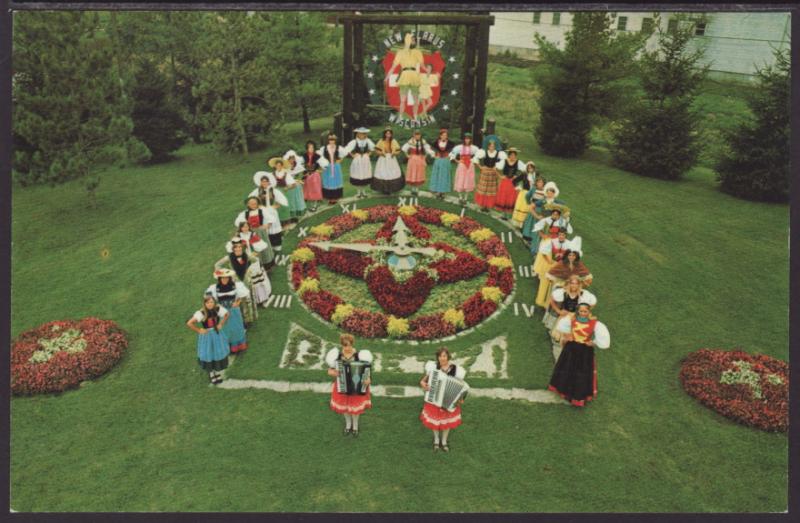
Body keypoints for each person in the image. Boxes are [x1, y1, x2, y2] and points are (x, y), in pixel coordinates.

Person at [548, 303, 611, 407]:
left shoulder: (595, 323)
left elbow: (604, 338)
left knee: (581, 372)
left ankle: (577, 396)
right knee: (567, 368)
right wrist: (567, 336)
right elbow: (561, 328)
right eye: (581, 311)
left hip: (584, 351)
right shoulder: (571, 320)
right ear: (578, 311)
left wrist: (594, 342)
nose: (583, 313)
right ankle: (564, 390)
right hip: (571, 348)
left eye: (585, 311)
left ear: (589, 312)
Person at [325, 334, 373, 437]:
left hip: (357, 385)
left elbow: (366, 371)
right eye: (345, 346)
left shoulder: (360, 356)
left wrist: (368, 379)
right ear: (341, 345)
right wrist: (333, 373)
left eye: (349, 345)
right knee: (344, 408)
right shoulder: (337, 356)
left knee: (355, 409)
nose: (347, 348)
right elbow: (329, 370)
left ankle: (355, 426)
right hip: (342, 384)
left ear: (352, 344)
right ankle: (348, 424)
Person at [419, 347, 466, 452]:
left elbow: (461, 386)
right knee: (435, 421)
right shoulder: (434, 367)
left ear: (448, 356)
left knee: (447, 422)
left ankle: (444, 441)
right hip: (434, 399)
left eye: (444, 356)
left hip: (448, 401)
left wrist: (461, 398)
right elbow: (423, 381)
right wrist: (423, 384)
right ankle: (436, 440)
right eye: (440, 356)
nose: (442, 358)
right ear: (438, 357)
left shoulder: (455, 369)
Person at [216, 240, 271, 315]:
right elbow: (217, 265)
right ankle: (241, 316)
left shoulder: (246, 256)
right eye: (236, 247)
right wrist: (224, 275)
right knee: (239, 299)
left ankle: (250, 316)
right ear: (233, 249)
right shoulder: (228, 257)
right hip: (236, 281)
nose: (238, 249)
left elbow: (255, 260)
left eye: (240, 247)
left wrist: (249, 270)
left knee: (249, 298)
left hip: (246, 280)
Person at [186, 296, 230, 385]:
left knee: (217, 351)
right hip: (207, 336)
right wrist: (199, 330)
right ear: (205, 304)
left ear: (214, 302)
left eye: (211, 302)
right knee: (209, 352)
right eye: (208, 303)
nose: (210, 304)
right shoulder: (201, 313)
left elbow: (227, 314)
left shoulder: (218, 309)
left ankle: (217, 372)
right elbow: (189, 323)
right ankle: (211, 373)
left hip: (217, 334)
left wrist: (221, 323)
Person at [205, 268, 249, 354]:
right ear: (219, 279)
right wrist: (216, 306)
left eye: (226, 278)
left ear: (229, 278)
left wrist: (237, 303)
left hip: (234, 311)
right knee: (226, 328)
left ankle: (239, 345)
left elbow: (243, 295)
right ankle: (231, 346)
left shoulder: (236, 286)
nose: (224, 279)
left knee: (237, 327)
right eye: (222, 278)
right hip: (222, 312)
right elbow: (208, 299)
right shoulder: (214, 288)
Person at [385, 32, 425, 121]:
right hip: (404, 76)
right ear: (408, 40)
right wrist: (387, 77)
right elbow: (393, 66)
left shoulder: (417, 52)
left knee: (416, 99)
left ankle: (415, 116)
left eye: (414, 40)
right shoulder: (400, 53)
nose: (414, 41)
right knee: (403, 100)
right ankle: (400, 116)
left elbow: (422, 65)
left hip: (414, 76)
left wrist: (429, 72)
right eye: (413, 40)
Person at [269, 157, 304, 226]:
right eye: (277, 165)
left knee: (286, 206)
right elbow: (270, 185)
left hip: (285, 192)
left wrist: (287, 188)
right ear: (275, 166)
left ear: (282, 166)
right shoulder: (271, 175)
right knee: (278, 206)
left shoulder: (286, 174)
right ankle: (280, 221)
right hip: (276, 192)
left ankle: (287, 221)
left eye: (280, 165)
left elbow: (293, 185)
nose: (278, 167)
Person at [371, 127, 405, 195]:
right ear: (385, 134)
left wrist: (394, 153)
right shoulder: (381, 141)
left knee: (392, 173)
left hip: (391, 158)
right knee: (382, 173)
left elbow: (398, 150)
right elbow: (376, 149)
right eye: (387, 133)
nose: (388, 135)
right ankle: (383, 189)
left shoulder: (394, 141)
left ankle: (391, 189)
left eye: (389, 133)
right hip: (383, 158)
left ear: (391, 134)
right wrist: (381, 153)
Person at [450, 132, 481, 206]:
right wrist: (457, 160)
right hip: (462, 165)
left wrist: (473, 160)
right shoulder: (459, 147)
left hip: (469, 166)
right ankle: (460, 197)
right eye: (466, 139)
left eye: (469, 139)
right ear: (464, 139)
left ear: (471, 140)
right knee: (460, 180)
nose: (467, 140)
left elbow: (479, 154)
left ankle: (465, 198)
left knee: (468, 181)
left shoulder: (474, 148)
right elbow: (452, 153)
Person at [495, 147, 526, 219]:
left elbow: (525, 171)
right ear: (509, 155)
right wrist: (500, 176)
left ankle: (508, 215)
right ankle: (503, 214)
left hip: (513, 182)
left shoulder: (518, 162)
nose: (512, 157)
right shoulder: (504, 161)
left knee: (510, 197)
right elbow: (495, 168)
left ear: (516, 156)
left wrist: (517, 177)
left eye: (514, 155)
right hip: (505, 181)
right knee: (504, 196)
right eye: (511, 155)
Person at [474, 138, 504, 211]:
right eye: (491, 146)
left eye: (493, 146)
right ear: (488, 146)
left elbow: (503, 161)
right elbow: (475, 159)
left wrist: (496, 166)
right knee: (484, 189)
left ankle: (487, 206)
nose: (492, 147)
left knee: (490, 190)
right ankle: (482, 205)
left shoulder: (498, 153)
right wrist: (480, 167)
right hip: (485, 172)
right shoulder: (484, 152)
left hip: (493, 173)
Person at [345, 127, 375, 199]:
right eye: (361, 134)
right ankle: (358, 192)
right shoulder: (354, 142)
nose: (362, 135)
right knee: (357, 174)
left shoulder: (368, 141)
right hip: (357, 161)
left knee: (365, 174)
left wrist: (368, 154)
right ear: (358, 134)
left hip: (365, 160)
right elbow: (347, 149)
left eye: (364, 134)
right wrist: (353, 155)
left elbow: (374, 148)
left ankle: (364, 191)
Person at [402, 129, 432, 195]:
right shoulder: (411, 141)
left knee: (419, 172)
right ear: (413, 135)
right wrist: (407, 155)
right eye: (416, 134)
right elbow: (404, 148)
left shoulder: (423, 141)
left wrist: (425, 156)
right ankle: (413, 188)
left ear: (420, 135)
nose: (417, 136)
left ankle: (417, 188)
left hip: (420, 159)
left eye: (418, 134)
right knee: (413, 172)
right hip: (412, 158)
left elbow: (428, 149)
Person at [320, 133, 347, 204]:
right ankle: (329, 198)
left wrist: (340, 160)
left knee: (335, 181)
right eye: (330, 140)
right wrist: (324, 163)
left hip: (336, 166)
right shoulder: (324, 148)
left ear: (335, 140)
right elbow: (320, 157)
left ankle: (335, 198)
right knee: (328, 181)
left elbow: (345, 153)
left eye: (333, 140)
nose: (331, 141)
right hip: (328, 167)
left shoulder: (338, 147)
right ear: (328, 140)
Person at [428, 128, 455, 198]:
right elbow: (430, 150)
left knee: (444, 176)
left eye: (445, 135)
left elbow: (453, 152)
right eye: (443, 135)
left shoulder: (450, 143)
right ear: (440, 136)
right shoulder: (436, 142)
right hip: (438, 160)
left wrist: (450, 157)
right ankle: (437, 191)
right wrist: (434, 156)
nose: (444, 136)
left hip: (446, 161)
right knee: (437, 175)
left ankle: (443, 192)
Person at [520, 171, 546, 244]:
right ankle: (526, 235)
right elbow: (527, 196)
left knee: (536, 223)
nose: (539, 184)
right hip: (533, 207)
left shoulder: (545, 191)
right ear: (536, 183)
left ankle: (533, 237)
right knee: (530, 221)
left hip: (540, 209)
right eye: (538, 182)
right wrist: (529, 203)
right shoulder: (534, 189)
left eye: (541, 182)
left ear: (544, 183)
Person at [282, 150, 308, 222]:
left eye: (293, 158)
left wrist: (301, 180)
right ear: (287, 159)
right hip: (290, 187)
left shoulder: (298, 166)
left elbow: (305, 174)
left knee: (298, 199)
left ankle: (298, 215)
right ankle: (292, 216)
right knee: (291, 201)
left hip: (297, 186)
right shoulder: (285, 168)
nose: (291, 160)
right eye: (290, 159)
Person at [301, 140, 326, 212]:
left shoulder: (317, 156)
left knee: (315, 190)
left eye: (312, 147)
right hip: (307, 175)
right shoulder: (304, 156)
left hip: (315, 175)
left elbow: (325, 165)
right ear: (307, 148)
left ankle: (315, 206)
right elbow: (300, 164)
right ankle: (310, 205)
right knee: (308, 191)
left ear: (314, 148)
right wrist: (304, 171)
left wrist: (320, 170)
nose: (311, 149)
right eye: (309, 147)